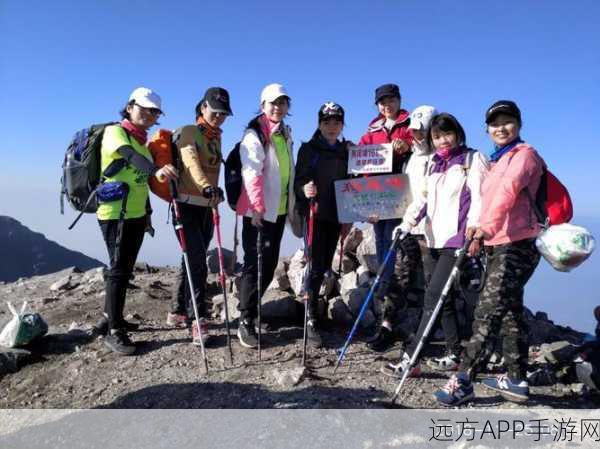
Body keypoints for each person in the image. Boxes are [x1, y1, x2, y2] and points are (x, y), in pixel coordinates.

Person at [434, 101, 545, 406]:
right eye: (495, 124)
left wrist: (486, 227)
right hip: (499, 242)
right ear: (487, 129)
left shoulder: (525, 156)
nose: (501, 128)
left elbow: (508, 193)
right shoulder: (499, 160)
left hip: (517, 244)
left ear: (519, 125)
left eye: (507, 122)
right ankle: (516, 377)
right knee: (509, 311)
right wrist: (480, 232)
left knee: (487, 310)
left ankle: (464, 379)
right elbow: (489, 199)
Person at [383, 112, 488, 376]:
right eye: (437, 136)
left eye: (447, 134)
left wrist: (475, 233)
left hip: (457, 241)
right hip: (433, 238)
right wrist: (406, 225)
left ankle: (412, 360)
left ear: (458, 133)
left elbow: (480, 199)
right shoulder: (434, 163)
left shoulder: (472, 160)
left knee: (433, 297)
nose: (443, 140)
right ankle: (454, 352)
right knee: (445, 297)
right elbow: (423, 200)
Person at [95, 87, 178, 355]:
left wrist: (147, 215)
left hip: (135, 214)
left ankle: (111, 318)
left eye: (154, 112)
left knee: (125, 268)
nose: (149, 114)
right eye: (144, 108)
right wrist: (156, 169)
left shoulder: (141, 139)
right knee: (119, 269)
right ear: (130, 106)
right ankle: (114, 331)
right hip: (115, 214)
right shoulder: (115, 132)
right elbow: (130, 158)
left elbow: (140, 180)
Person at [165, 87, 232, 346]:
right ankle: (197, 320)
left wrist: (214, 195)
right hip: (185, 205)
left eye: (223, 113)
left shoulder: (215, 136)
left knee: (191, 259)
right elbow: (191, 162)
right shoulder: (189, 132)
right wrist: (206, 187)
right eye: (215, 111)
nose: (219, 117)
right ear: (203, 107)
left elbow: (212, 171)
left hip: (205, 206)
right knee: (197, 262)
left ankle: (177, 310)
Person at [368, 105, 438, 352]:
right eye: (415, 130)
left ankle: (422, 337)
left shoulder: (441, 158)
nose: (418, 135)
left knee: (432, 286)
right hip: (408, 228)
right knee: (398, 280)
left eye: (423, 130)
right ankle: (386, 327)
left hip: (433, 232)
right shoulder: (411, 158)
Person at [236, 83, 297, 349]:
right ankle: (245, 320)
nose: (278, 107)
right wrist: (258, 207)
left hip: (279, 210)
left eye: (282, 103)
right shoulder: (255, 135)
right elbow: (252, 172)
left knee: (269, 264)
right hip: (259, 213)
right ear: (263, 106)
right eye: (273, 103)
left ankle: (252, 311)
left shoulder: (284, 133)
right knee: (255, 264)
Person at [294, 102, 351, 347]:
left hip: (336, 215)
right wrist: (304, 188)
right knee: (315, 266)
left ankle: (316, 312)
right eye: (326, 122)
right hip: (314, 215)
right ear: (319, 124)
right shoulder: (309, 149)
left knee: (325, 265)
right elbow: (298, 181)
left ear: (342, 124)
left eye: (336, 122)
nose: (331, 126)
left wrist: (348, 216)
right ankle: (309, 319)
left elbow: (353, 183)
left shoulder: (346, 151)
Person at [358, 84, 413, 333]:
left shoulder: (412, 124)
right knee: (382, 244)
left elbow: (424, 143)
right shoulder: (372, 130)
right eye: (382, 102)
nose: (386, 105)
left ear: (399, 100)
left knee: (396, 248)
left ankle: (390, 309)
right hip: (379, 200)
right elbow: (361, 159)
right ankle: (384, 299)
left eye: (390, 100)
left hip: (404, 198)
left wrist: (408, 145)